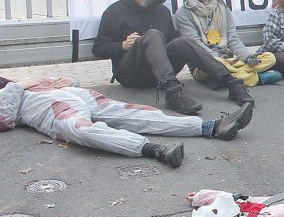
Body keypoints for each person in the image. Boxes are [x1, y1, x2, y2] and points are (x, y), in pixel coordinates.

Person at [92, 0, 254, 115]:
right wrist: (122, 45)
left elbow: (173, 44)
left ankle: (231, 82)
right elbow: (98, 48)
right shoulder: (114, 12)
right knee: (153, 34)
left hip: (159, 73)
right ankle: (173, 94)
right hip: (131, 73)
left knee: (183, 41)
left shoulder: (162, 12)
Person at [0, 75, 253, 168]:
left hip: (80, 97)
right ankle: (154, 150)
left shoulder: (15, 79)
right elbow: (5, 118)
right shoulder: (13, 87)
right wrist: (17, 86)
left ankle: (210, 126)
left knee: (138, 115)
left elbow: (64, 80)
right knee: (85, 132)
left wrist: (71, 80)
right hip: (54, 111)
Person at [174, 0, 280, 87]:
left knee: (270, 57)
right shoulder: (182, 13)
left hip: (228, 59)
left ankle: (224, 79)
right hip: (203, 64)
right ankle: (255, 79)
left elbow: (232, 38)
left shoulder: (222, 8)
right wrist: (217, 62)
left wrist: (247, 57)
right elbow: (195, 45)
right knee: (218, 63)